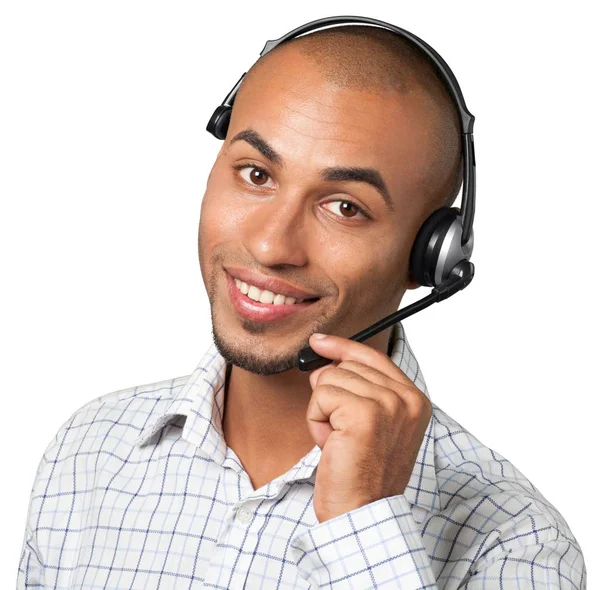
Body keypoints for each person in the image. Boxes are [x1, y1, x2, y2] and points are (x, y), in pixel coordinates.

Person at [17, 24, 586, 589]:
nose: (270, 246)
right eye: (256, 174)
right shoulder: (87, 453)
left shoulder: (516, 544)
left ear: (429, 257)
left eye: (344, 207)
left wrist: (365, 525)